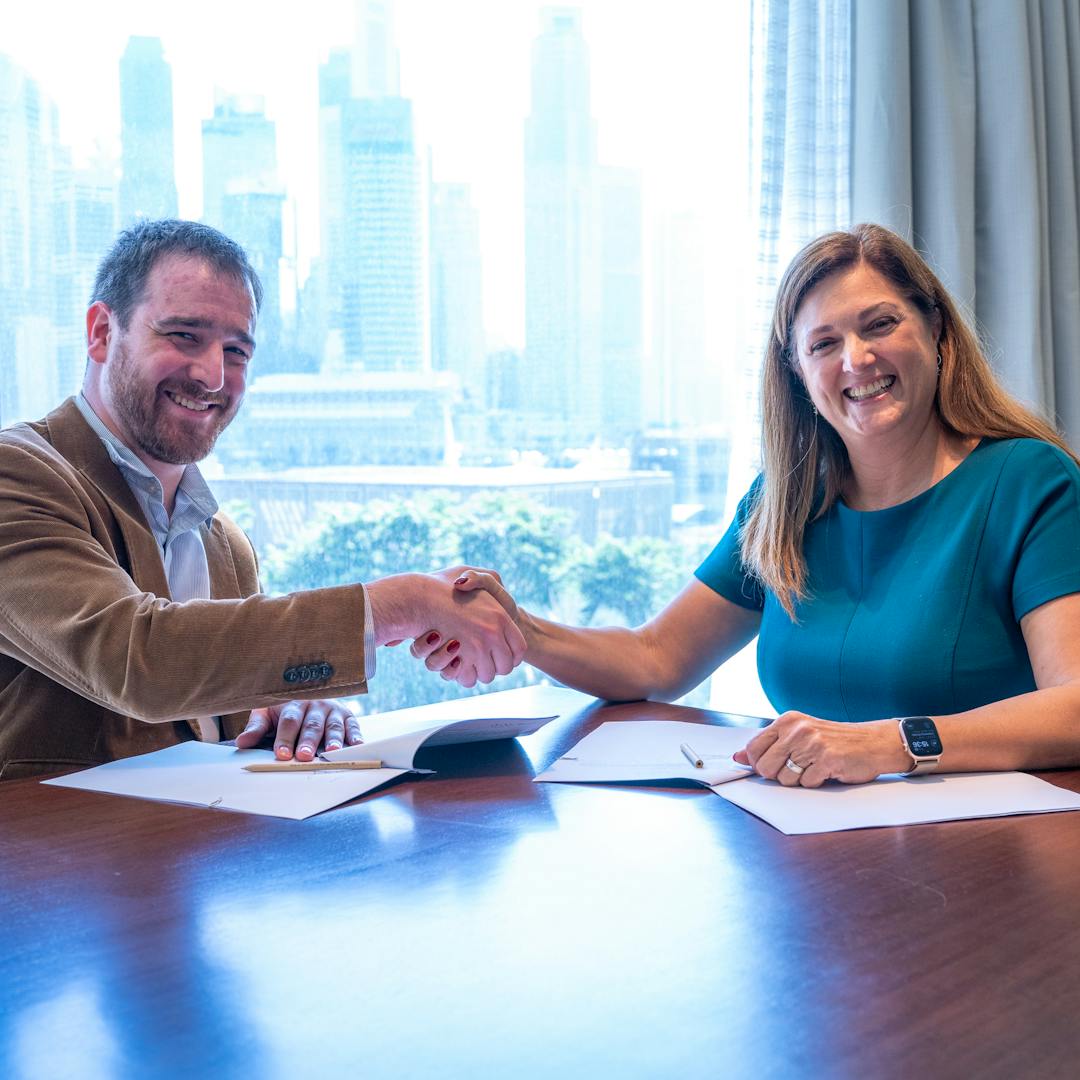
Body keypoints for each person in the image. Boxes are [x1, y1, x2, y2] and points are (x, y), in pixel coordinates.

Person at [426, 223, 1080, 787]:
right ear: (798, 371)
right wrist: (517, 628)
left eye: (880, 324)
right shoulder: (785, 503)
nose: (857, 359)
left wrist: (888, 743)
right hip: (817, 850)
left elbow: (1074, 707)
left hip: (989, 855)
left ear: (935, 329)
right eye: (824, 344)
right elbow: (657, 658)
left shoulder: (1029, 481)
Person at [0, 219, 524, 781]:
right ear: (102, 332)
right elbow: (136, 661)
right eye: (184, 336)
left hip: (203, 836)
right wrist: (399, 604)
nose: (213, 376)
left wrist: (292, 710)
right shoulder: (17, 475)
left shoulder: (226, 543)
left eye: (236, 351)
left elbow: (211, 698)